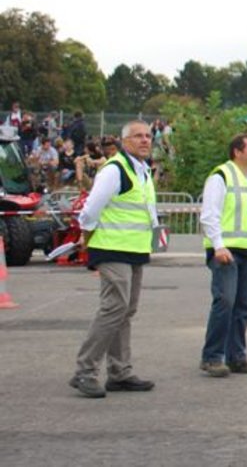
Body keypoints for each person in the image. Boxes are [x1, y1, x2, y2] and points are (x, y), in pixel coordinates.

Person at [70, 120, 159, 398]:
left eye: (148, 136)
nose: (145, 140)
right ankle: (85, 371)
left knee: (126, 311)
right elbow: (91, 207)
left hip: (133, 249)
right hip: (111, 248)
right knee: (114, 309)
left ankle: (120, 372)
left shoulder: (141, 171)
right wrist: (86, 233)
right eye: (138, 136)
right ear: (125, 141)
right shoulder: (115, 169)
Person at [198, 133, 247, 377]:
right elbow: (209, 214)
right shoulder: (221, 176)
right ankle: (212, 357)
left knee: (243, 306)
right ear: (237, 152)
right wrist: (218, 245)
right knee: (225, 302)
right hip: (226, 250)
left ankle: (236, 357)